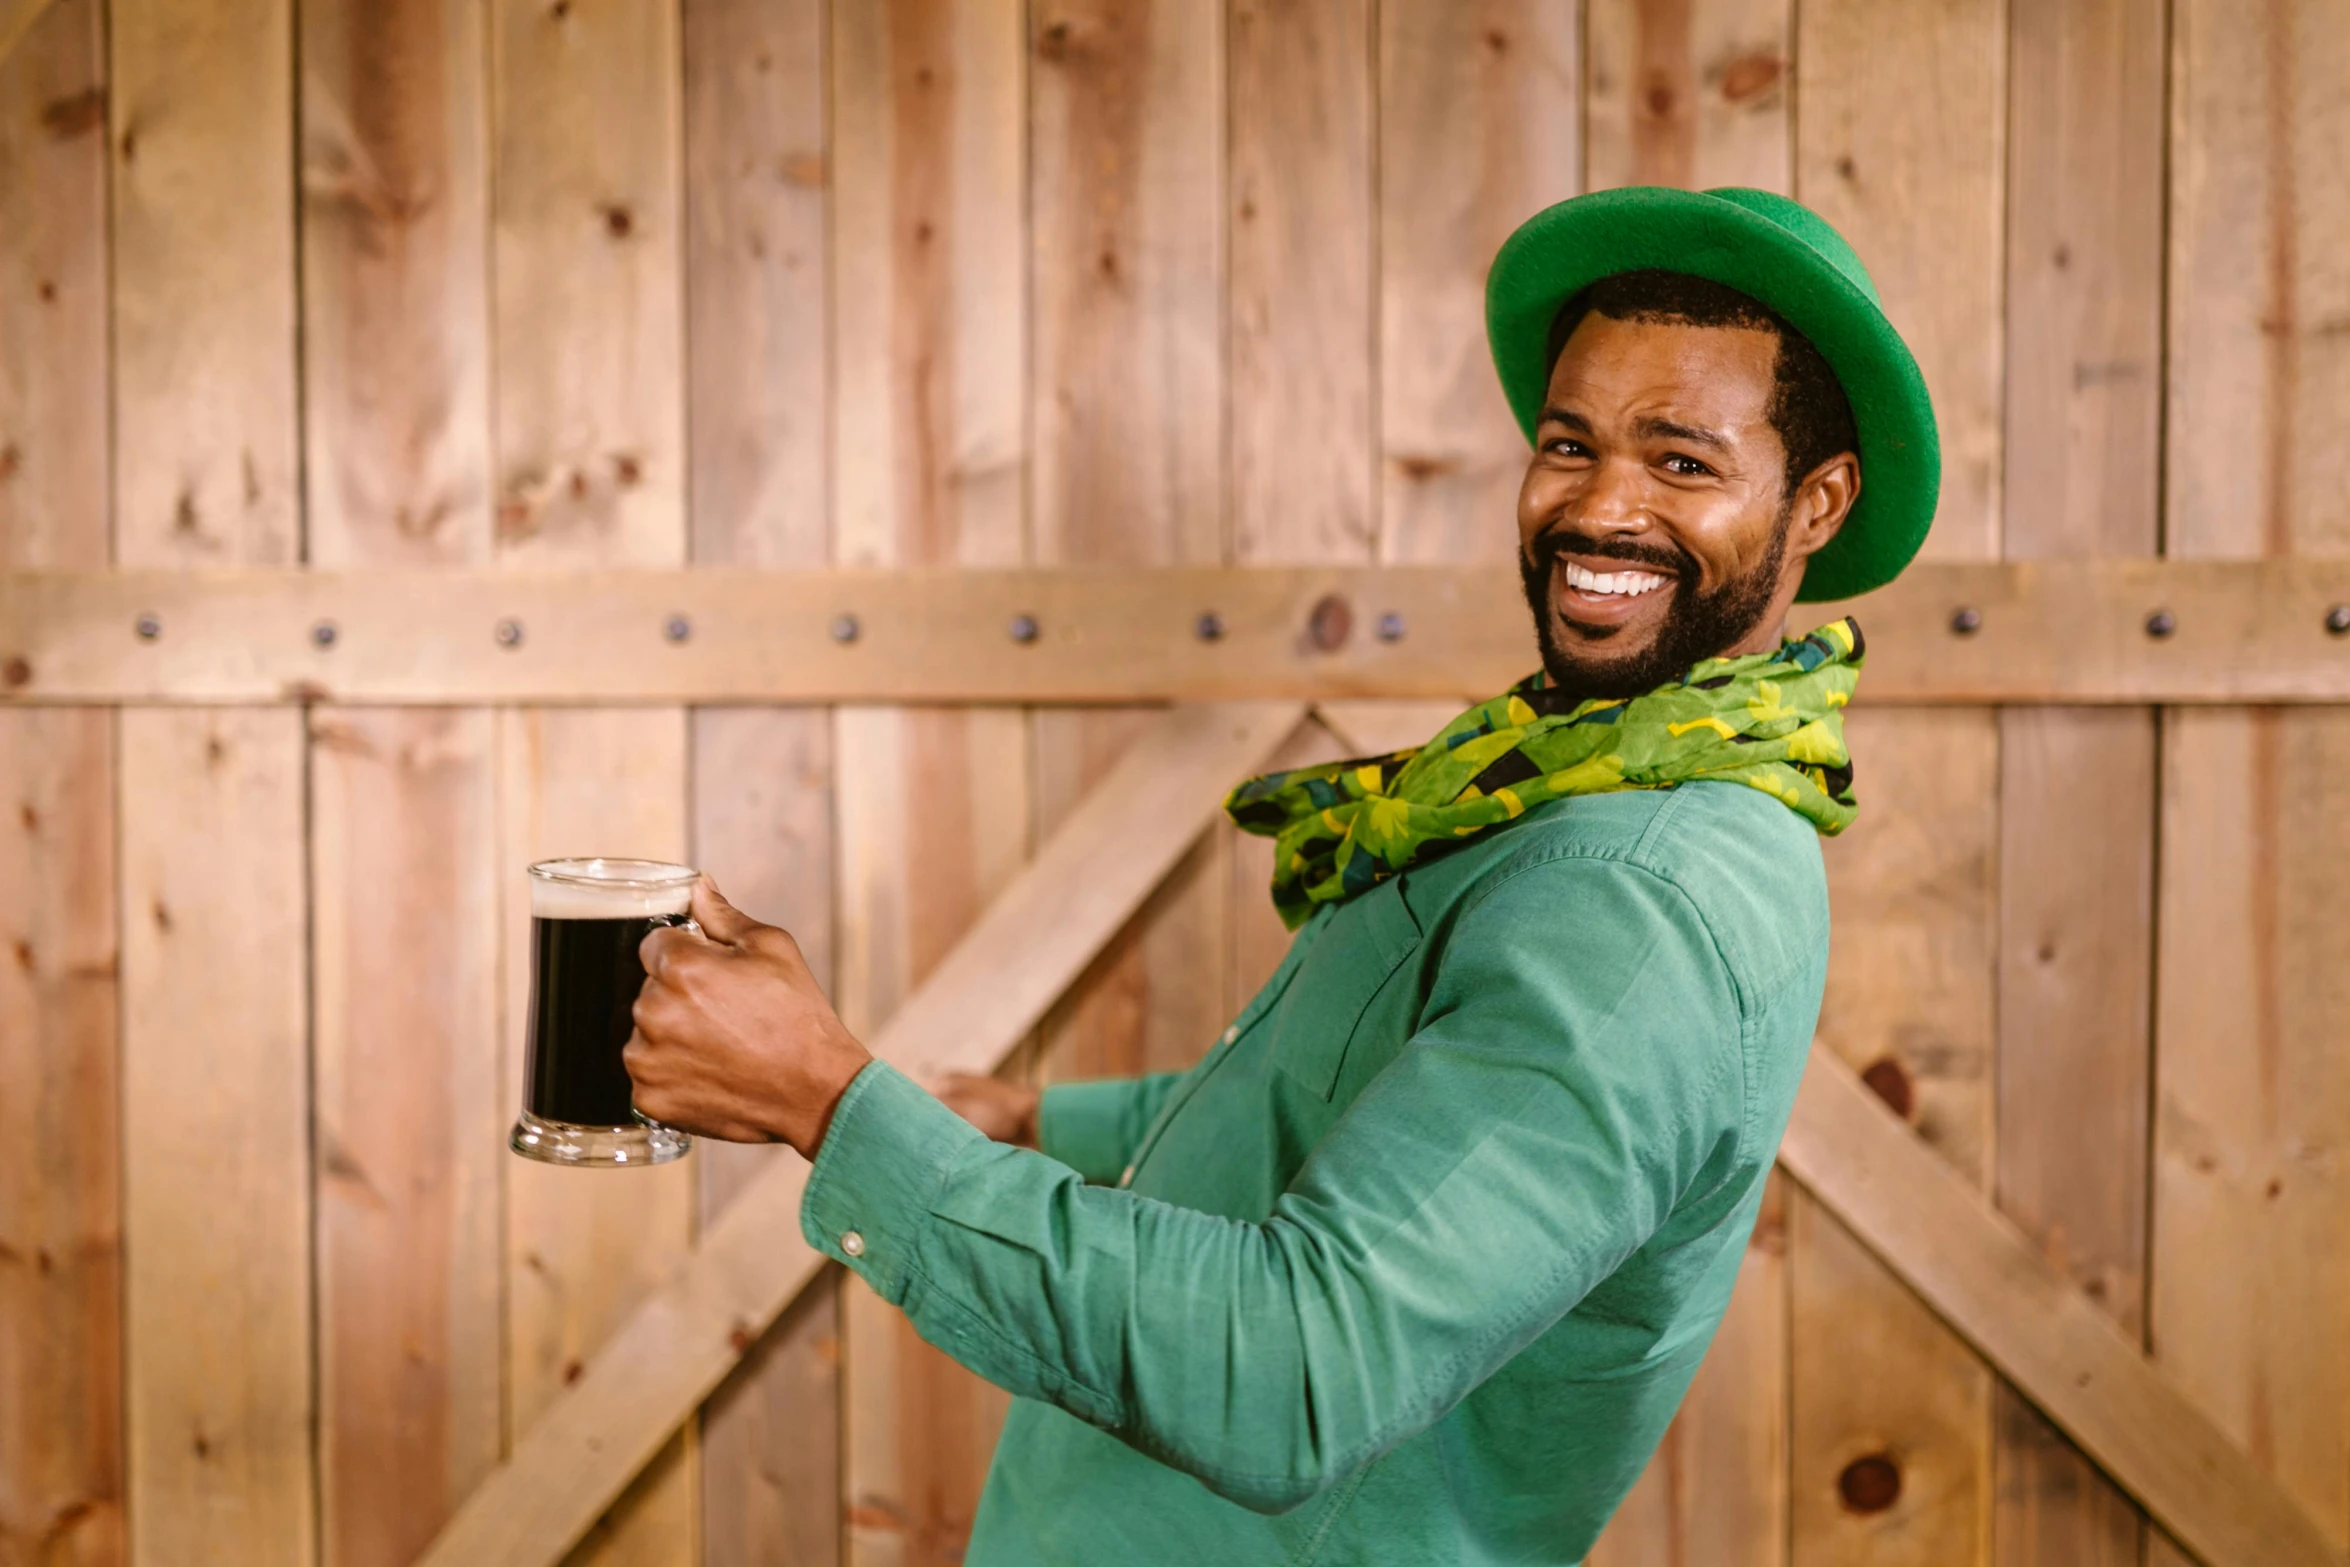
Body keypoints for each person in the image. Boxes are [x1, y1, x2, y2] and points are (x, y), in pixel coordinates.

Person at [623, 186, 1939, 1564]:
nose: (1600, 505)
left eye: (1680, 461)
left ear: (1815, 503)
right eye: (1570, 443)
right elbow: (1390, 1095)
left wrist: (831, 1103)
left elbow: (1295, 1375)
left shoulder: (1634, 901)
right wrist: (1040, 1122)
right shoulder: (1581, 780)